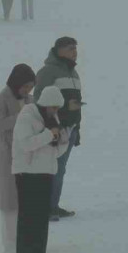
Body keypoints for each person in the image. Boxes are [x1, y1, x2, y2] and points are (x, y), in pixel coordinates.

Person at [12, 86, 70, 253]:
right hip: (27, 175)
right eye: (53, 107)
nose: (55, 111)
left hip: (45, 174)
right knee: (27, 220)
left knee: (40, 220)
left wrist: (63, 139)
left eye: (58, 108)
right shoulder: (27, 115)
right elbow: (26, 144)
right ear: (45, 103)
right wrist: (49, 134)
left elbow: (55, 152)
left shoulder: (54, 118)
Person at [34, 37, 82, 220]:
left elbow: (75, 104)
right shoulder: (48, 72)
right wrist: (62, 111)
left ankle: (53, 205)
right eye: (70, 49)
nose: (74, 52)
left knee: (60, 169)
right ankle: (46, 208)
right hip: (54, 129)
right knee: (51, 168)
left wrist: (77, 127)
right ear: (59, 50)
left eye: (75, 48)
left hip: (70, 129)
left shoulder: (74, 73)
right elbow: (39, 101)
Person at [0, 64, 37, 253]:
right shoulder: (1, 98)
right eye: (25, 86)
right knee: (9, 205)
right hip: (7, 156)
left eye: (30, 87)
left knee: (24, 204)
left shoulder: (30, 99)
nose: (28, 90)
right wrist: (20, 116)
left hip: (26, 156)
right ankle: (10, 247)